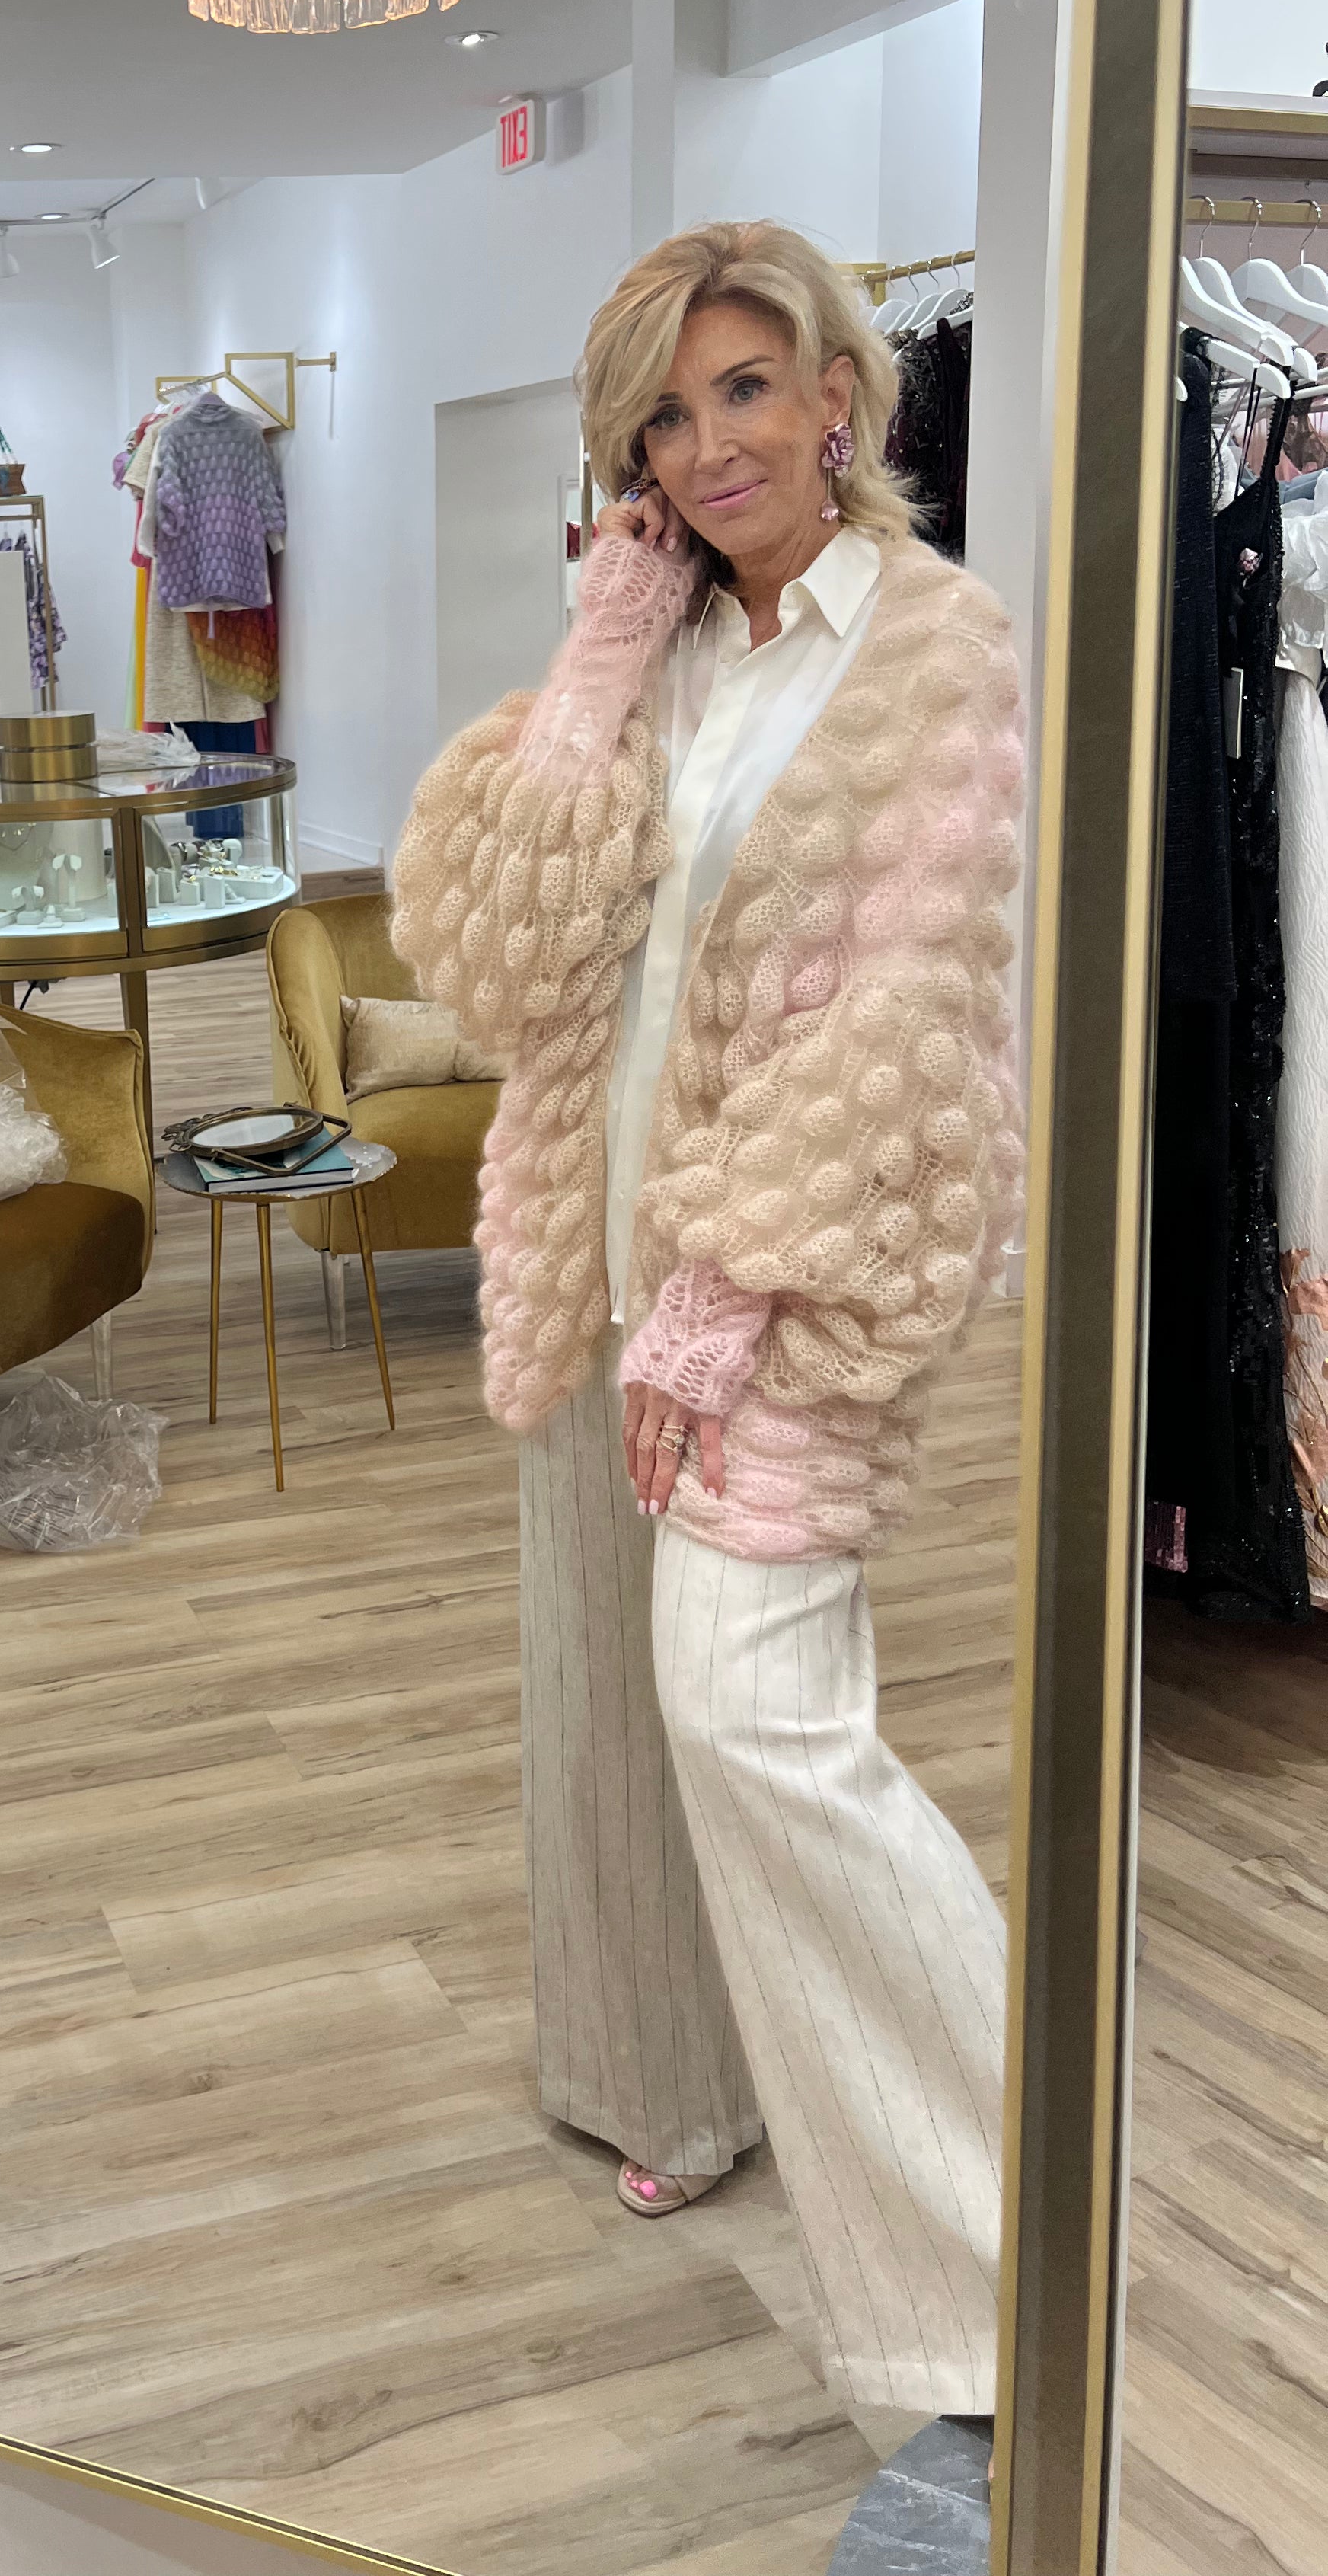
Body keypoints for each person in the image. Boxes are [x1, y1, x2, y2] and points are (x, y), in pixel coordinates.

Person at [393, 219, 1024, 2421]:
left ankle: (989, 2277)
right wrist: (594, 659)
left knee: (758, 1719)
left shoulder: (934, 648)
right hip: (596, 1251)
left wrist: (723, 1307)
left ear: (840, 392)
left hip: (786, 1277)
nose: (709, 443)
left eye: (746, 388)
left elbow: (902, 1019)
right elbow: (498, 959)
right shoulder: (653, 650)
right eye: (664, 415)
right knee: (612, 1703)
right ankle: (666, 2079)